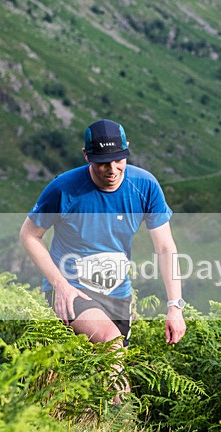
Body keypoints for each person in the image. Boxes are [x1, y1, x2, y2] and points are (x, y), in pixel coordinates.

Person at [20, 119, 186, 403]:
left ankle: (90, 427)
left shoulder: (144, 185)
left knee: (102, 370)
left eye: (118, 160)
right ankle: (125, 427)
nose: (112, 170)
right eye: (102, 164)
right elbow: (28, 236)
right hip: (72, 289)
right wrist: (59, 285)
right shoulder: (64, 189)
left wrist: (175, 306)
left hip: (117, 294)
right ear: (87, 157)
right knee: (111, 345)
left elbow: (165, 247)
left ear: (127, 151)